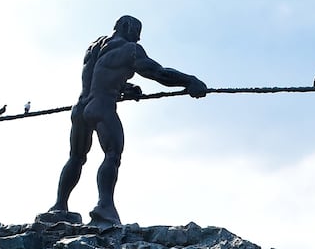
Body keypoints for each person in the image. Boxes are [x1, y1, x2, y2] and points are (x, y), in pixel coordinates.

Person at [49, 16, 208, 228]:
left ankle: (59, 206)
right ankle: (104, 206)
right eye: (137, 31)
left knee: (76, 157)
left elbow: (99, 74)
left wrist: (123, 88)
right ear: (127, 27)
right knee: (112, 154)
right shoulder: (130, 49)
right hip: (102, 107)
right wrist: (190, 81)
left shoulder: (93, 47)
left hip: (79, 109)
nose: (139, 37)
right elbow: (157, 73)